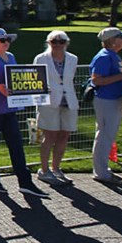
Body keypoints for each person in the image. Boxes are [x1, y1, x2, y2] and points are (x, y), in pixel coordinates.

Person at [0, 28, 49, 197]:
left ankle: (24, 181)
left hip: (9, 106)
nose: (6, 43)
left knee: (16, 143)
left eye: (7, 40)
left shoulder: (10, 57)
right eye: (2, 40)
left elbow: (16, 78)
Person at [32, 30, 79, 186]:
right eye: (54, 41)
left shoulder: (73, 58)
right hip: (49, 102)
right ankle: (44, 170)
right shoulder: (41, 58)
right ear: (48, 42)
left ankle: (56, 167)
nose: (58, 44)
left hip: (68, 101)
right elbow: (35, 80)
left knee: (64, 135)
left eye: (61, 41)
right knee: (50, 136)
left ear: (66, 43)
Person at [90, 27, 122, 184]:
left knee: (107, 135)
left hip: (114, 99)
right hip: (106, 100)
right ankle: (101, 172)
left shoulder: (112, 56)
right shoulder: (104, 57)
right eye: (121, 37)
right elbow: (96, 80)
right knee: (104, 135)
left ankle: (103, 169)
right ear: (113, 40)